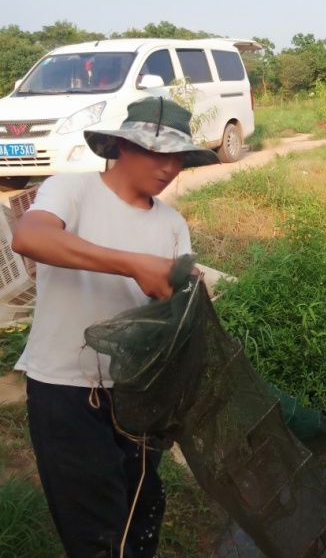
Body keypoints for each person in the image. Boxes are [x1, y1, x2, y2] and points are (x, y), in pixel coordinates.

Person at [12, 96, 219, 558]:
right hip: (65, 387)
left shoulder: (171, 223)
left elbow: (164, 301)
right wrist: (132, 265)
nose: (169, 168)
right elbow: (30, 236)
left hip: (137, 392)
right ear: (121, 146)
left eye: (178, 158)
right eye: (156, 152)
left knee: (140, 508)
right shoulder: (72, 190)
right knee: (94, 526)